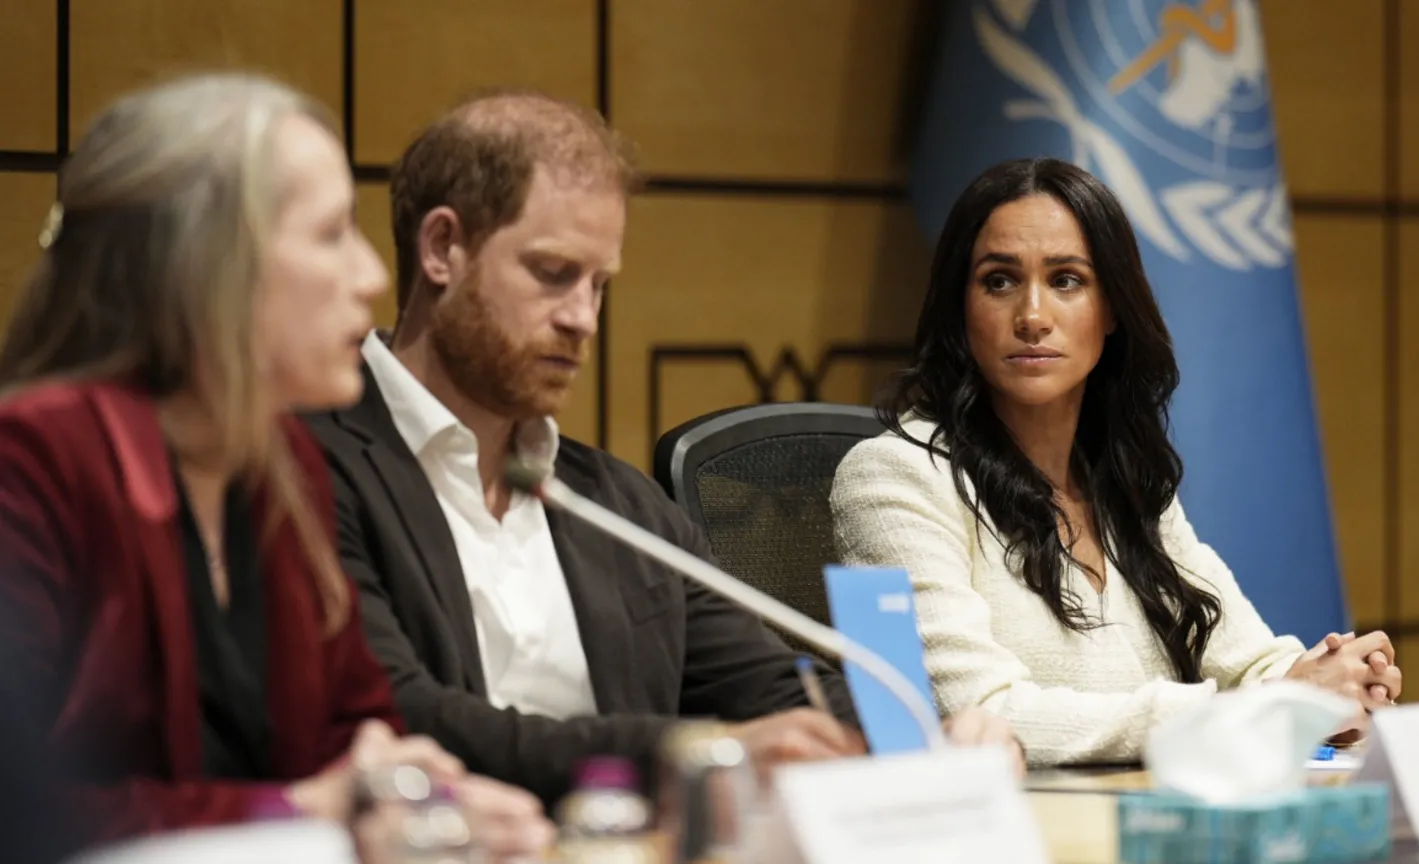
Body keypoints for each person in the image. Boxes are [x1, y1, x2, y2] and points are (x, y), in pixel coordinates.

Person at [304, 89, 1021, 806]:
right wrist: (697, 754)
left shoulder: (614, 504)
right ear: (441, 249)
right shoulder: (307, 473)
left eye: (600, 285)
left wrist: (927, 733)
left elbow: (773, 690)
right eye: (553, 274)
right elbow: (403, 718)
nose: (583, 319)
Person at [0, 73, 553, 857]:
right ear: (207, 263)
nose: (370, 276)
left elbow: (354, 730)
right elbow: (20, 813)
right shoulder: (34, 458)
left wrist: (414, 789)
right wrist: (299, 809)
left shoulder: (282, 460)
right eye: (331, 235)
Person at [830, 157, 1404, 767]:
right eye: (998, 281)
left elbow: (1247, 661)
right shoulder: (896, 478)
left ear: (1111, 312)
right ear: (960, 309)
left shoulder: (1125, 483)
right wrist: (1274, 704)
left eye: (1067, 280)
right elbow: (976, 715)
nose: (1031, 316)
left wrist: (1333, 687)